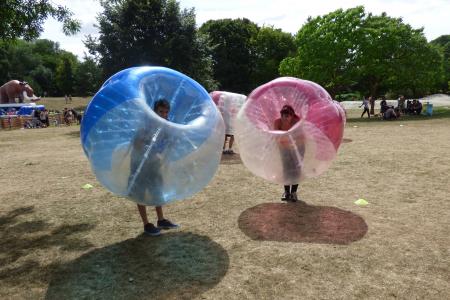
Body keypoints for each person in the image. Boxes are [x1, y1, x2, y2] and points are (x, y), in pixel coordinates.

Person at [128, 99, 179, 236]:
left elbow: (169, 142)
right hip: (140, 163)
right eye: (161, 111)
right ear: (154, 111)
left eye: (166, 112)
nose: (164, 115)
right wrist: (149, 152)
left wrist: (172, 143)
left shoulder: (165, 126)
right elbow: (136, 144)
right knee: (140, 192)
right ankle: (146, 224)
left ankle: (161, 220)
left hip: (154, 163)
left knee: (157, 189)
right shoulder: (146, 125)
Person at [274, 105, 302, 202]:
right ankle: (286, 192)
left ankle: (293, 192)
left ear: (292, 116)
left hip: (298, 147)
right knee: (286, 169)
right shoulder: (277, 122)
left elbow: (301, 137)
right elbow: (276, 137)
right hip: (284, 147)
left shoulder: (297, 122)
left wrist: (295, 146)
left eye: (287, 116)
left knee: (296, 169)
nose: (284, 118)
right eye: (283, 115)